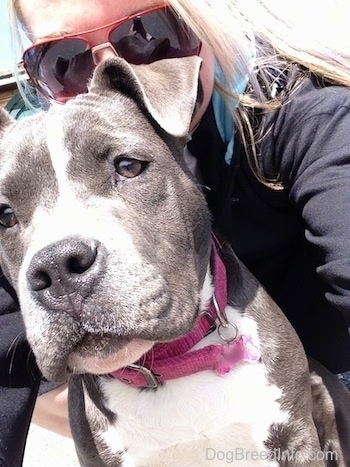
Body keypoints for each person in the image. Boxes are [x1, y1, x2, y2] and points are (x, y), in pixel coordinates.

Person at [2, 0, 350, 464]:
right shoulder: (22, 150)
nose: (113, 71)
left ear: (207, 22)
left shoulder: (303, 112)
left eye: (150, 34)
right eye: (63, 61)